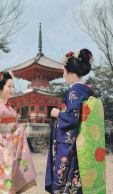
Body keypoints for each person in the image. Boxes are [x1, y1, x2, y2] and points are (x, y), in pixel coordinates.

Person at [0, 70, 36, 194]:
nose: (12, 89)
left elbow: (14, 127)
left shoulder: (10, 108)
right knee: (1, 183)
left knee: (10, 181)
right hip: (2, 149)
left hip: (11, 147)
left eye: (13, 86)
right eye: (9, 86)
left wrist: (18, 132)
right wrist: (3, 147)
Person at [45, 49, 95, 193]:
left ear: (71, 73)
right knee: (77, 178)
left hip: (70, 143)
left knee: (66, 179)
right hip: (82, 140)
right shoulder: (85, 91)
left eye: (64, 72)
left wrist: (57, 114)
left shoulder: (74, 92)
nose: (63, 76)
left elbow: (72, 118)